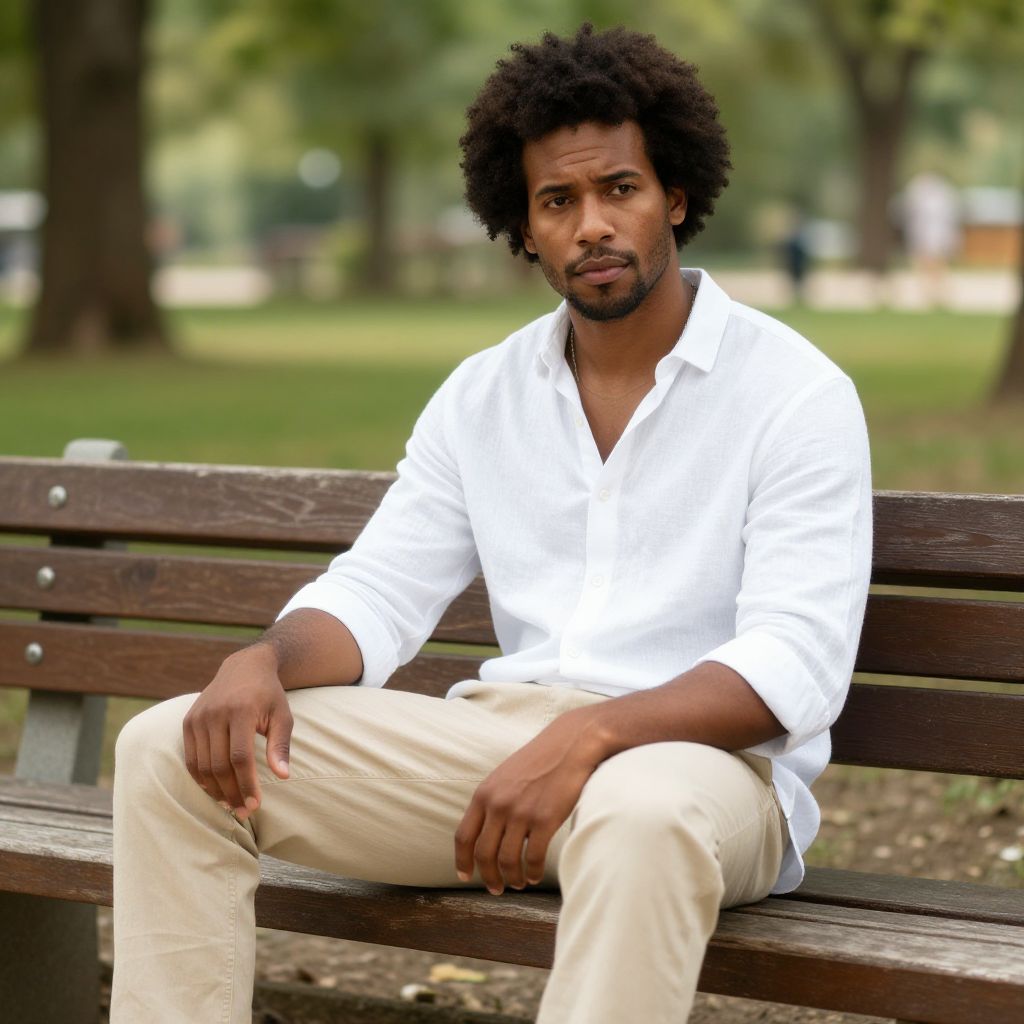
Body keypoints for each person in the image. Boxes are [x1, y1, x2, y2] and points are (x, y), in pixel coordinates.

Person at [111, 24, 872, 1024]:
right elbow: (378, 591)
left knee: (641, 815)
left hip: (707, 778)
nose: (591, 225)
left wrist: (591, 735)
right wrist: (264, 659)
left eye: (620, 189)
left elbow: (794, 664)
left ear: (676, 197)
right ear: (524, 227)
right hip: (497, 758)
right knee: (169, 750)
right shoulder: (483, 395)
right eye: (558, 201)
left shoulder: (794, 394)